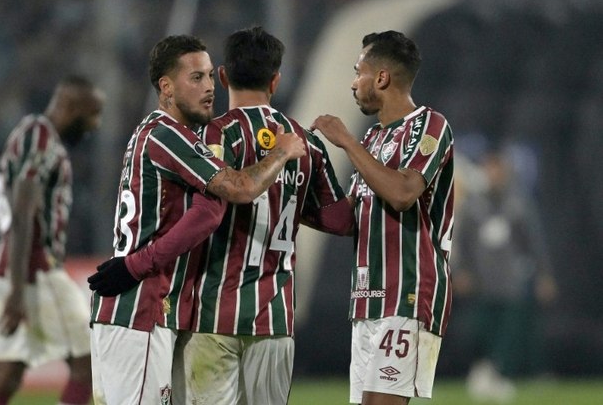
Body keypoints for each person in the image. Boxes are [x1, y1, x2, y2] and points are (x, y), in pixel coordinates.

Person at [86, 34, 306, 404]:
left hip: (138, 307)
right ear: (166, 87)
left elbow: (208, 210)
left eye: (208, 76)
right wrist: (280, 154)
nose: (208, 88)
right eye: (196, 78)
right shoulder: (167, 135)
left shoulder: (157, 135)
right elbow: (233, 192)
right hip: (141, 306)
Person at [172, 26, 354, 405]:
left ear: (222, 76)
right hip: (274, 317)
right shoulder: (304, 141)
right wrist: (287, 199)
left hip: (213, 312)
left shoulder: (211, 135)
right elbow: (340, 220)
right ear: (276, 79)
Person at [310, 30, 454, 405]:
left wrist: (346, 141)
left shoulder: (430, 126)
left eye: (358, 71)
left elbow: (404, 193)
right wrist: (291, 201)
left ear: (382, 78)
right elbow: (348, 220)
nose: (353, 83)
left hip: (408, 294)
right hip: (367, 299)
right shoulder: (373, 140)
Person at [0, 75, 105, 405]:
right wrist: (18, 289)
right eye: (93, 114)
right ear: (73, 107)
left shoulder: (32, 132)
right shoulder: (41, 137)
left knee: (6, 376)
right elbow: (23, 209)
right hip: (32, 266)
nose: (95, 124)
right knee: (90, 360)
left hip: (4, 263)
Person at [451, 140, 557, 403]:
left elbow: (534, 242)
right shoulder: (474, 205)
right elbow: (460, 240)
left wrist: (544, 275)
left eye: (498, 168)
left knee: (510, 332)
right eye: (490, 168)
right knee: (478, 329)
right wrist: (460, 270)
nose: (494, 173)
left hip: (510, 281)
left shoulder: (519, 203)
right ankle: (483, 370)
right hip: (481, 281)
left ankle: (499, 375)